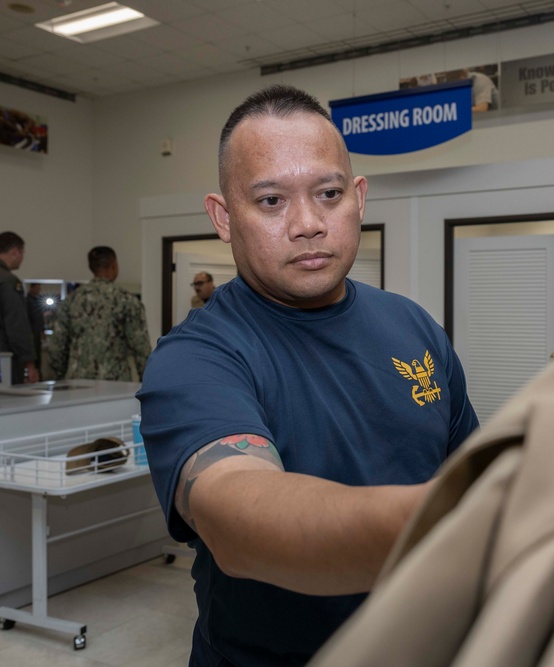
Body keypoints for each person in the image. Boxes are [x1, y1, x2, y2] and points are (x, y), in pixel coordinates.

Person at [137, 84, 479, 666]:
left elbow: (466, 468)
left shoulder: (414, 326)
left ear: (359, 198)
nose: (308, 223)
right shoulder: (196, 357)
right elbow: (243, 516)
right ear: (223, 218)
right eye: (271, 201)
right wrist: (474, 527)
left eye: (328, 193)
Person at [48, 246, 151, 382]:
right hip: (116, 384)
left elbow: (56, 346)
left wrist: (60, 377)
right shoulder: (127, 300)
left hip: (77, 383)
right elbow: (141, 348)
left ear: (91, 267)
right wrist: (149, 384)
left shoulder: (71, 300)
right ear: (114, 265)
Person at [0, 232, 38, 384]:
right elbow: (17, 327)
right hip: (4, 361)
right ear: (15, 251)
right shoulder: (8, 281)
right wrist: (29, 364)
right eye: (22, 253)